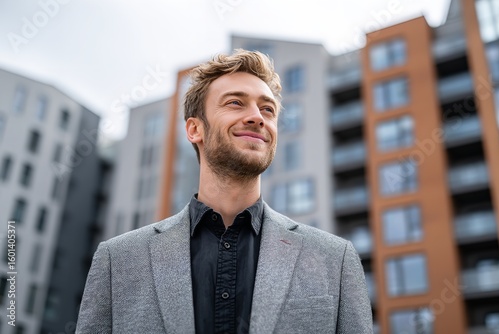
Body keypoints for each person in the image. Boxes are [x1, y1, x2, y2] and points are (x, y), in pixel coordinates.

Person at [76, 49, 373, 334]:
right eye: (235, 103)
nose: (258, 117)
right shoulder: (119, 261)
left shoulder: (336, 260)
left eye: (267, 109)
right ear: (195, 130)